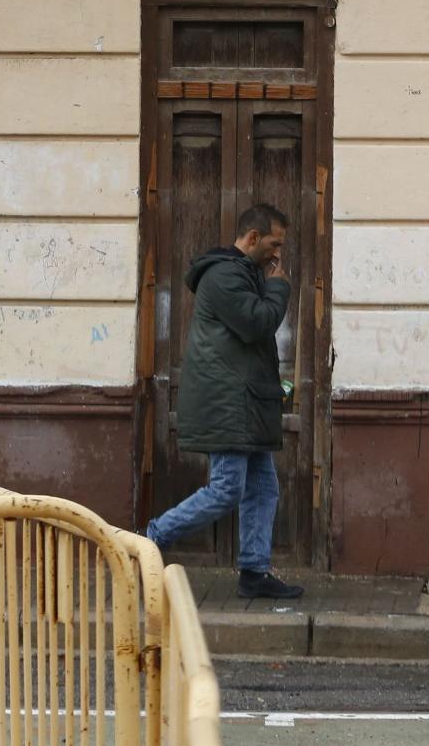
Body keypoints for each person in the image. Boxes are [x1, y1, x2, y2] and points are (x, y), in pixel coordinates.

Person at [146, 201, 305, 600]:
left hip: (245, 401)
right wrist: (281, 285)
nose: (277, 253)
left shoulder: (244, 272)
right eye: (273, 243)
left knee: (263, 488)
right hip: (228, 401)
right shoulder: (224, 276)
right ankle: (151, 538)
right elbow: (257, 323)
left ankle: (254, 572)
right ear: (252, 238)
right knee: (227, 489)